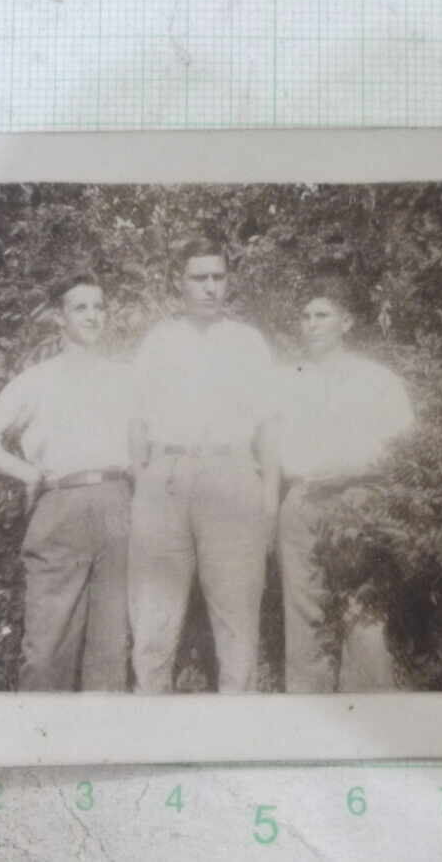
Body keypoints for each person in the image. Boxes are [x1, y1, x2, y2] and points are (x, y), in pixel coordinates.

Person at [0, 271, 132, 692]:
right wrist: (28, 472)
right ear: (60, 318)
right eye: (81, 308)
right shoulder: (37, 380)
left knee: (111, 652)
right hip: (61, 507)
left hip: (120, 508)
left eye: (99, 307)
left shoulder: (126, 377)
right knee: (46, 651)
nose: (92, 316)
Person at [127, 236, 281, 693]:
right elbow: (135, 421)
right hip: (166, 478)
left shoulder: (248, 342)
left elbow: (269, 427)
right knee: (153, 618)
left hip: (232, 476)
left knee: (236, 618)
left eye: (218, 277)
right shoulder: (157, 342)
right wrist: (145, 484)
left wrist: (269, 499)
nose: (210, 287)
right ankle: (150, 728)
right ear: (181, 283)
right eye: (200, 278)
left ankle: (236, 736)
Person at [277, 274, 415, 692]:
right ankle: (309, 713)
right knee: (303, 611)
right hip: (300, 498)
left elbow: (402, 445)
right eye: (305, 316)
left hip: (357, 497)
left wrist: (359, 478)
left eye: (323, 315)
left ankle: (370, 713)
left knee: (362, 610)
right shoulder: (285, 379)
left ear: (347, 322)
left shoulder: (376, 379)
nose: (312, 323)